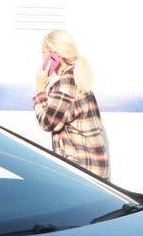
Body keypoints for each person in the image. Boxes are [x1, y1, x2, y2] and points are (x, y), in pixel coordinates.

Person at [33, 29, 110, 179]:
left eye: (43, 53)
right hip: (91, 167)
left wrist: (40, 89)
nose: (42, 59)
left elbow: (48, 123)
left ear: (54, 56)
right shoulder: (75, 76)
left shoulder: (66, 82)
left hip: (81, 168)